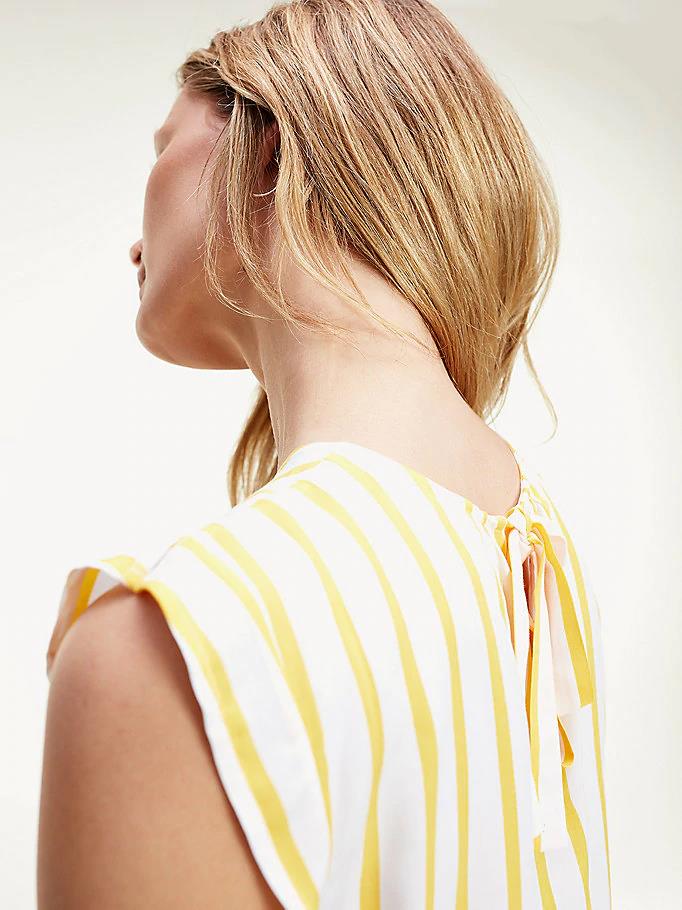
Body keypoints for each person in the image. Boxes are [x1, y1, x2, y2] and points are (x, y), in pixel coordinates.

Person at [37, 1, 611, 907]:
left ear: (264, 148)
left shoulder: (168, 648)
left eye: (163, 147)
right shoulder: (538, 557)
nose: (135, 242)